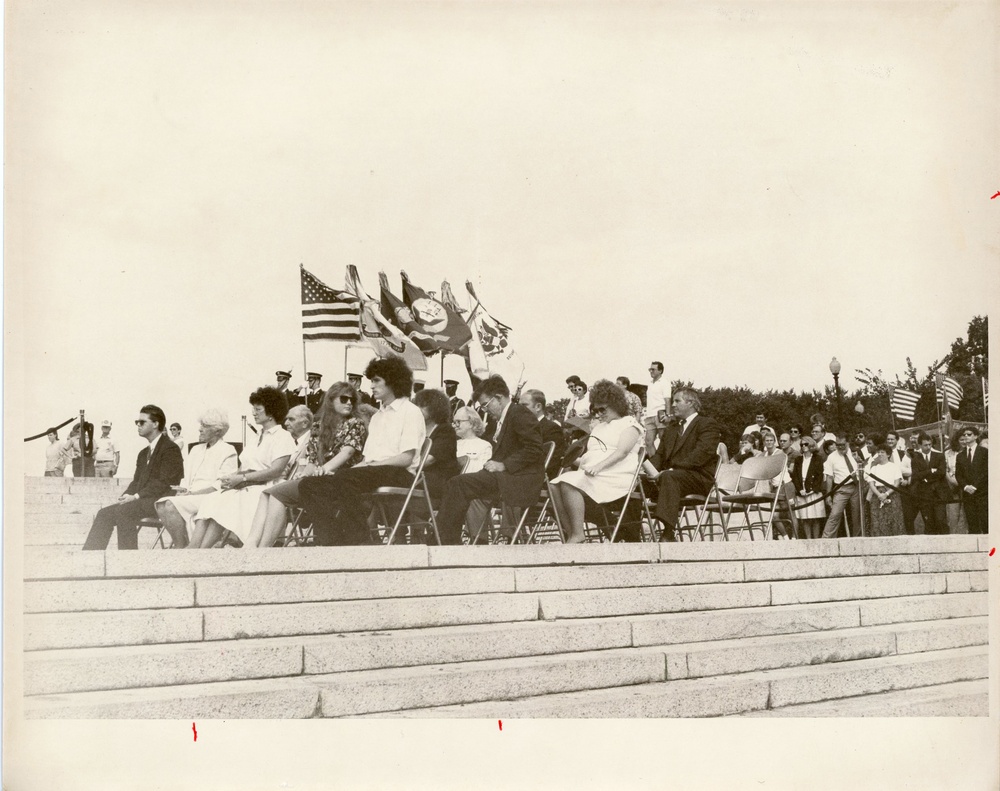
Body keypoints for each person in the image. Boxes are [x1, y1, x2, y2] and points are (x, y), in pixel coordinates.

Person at [298, 357, 426, 546]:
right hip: (372, 472)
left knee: (348, 479)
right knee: (310, 485)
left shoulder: (410, 411)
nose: (371, 386)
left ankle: (360, 539)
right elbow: (366, 459)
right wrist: (337, 472)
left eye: (376, 381)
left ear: (392, 381)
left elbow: (406, 458)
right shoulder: (377, 418)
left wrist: (369, 466)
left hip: (400, 473)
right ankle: (331, 540)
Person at [245, 384, 368, 549]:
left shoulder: (356, 423)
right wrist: (305, 474)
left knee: (277, 494)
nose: (349, 403)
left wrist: (324, 469)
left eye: (352, 400)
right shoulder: (318, 426)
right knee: (267, 494)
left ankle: (263, 549)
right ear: (331, 401)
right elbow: (311, 459)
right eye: (344, 399)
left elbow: (347, 452)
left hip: (342, 478)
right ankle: (251, 545)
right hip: (317, 478)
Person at [434, 375, 545, 545]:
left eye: (486, 405)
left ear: (499, 398)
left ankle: (445, 540)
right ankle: (448, 538)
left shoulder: (519, 413)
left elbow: (534, 448)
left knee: (459, 483)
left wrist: (504, 464)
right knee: (456, 482)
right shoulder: (506, 417)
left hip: (520, 478)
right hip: (507, 476)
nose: (485, 411)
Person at [189, 387, 295, 549]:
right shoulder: (256, 437)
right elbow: (244, 466)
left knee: (225, 503)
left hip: (265, 489)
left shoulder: (283, 436)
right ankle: (194, 548)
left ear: (272, 412)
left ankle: (202, 550)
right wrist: (232, 479)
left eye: (258, 409)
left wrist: (243, 478)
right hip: (246, 485)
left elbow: (276, 470)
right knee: (213, 499)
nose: (253, 412)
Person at [550, 380, 643, 543]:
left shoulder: (630, 424)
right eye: (595, 410)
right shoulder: (599, 427)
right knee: (553, 485)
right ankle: (571, 533)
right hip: (594, 474)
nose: (598, 414)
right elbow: (591, 457)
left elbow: (622, 452)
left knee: (568, 483)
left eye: (602, 409)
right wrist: (571, 459)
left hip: (615, 476)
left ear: (616, 404)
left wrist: (598, 467)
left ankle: (578, 534)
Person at [82, 405, 184, 550]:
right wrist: (126, 496)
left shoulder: (170, 449)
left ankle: (128, 561)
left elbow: (163, 483)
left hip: (161, 501)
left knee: (125, 511)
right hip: (142, 500)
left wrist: (135, 496)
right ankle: (89, 560)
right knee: (104, 513)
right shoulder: (143, 453)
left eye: (142, 422)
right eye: (137, 422)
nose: (138, 425)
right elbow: (137, 481)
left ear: (156, 424)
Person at [645, 387, 721, 542]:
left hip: (698, 478)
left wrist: (672, 469)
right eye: (673, 401)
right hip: (672, 477)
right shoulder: (672, 428)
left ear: (691, 403)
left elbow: (701, 454)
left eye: (677, 401)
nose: (672, 405)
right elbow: (659, 455)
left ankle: (668, 533)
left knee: (669, 476)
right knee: (637, 482)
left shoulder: (707, 424)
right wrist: (649, 471)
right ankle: (626, 530)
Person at [154, 409, 238, 547]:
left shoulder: (228, 450)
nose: (200, 429)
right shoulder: (195, 450)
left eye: (205, 426)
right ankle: (182, 546)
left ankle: (182, 549)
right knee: (161, 504)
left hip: (210, 497)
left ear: (217, 430)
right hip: (190, 496)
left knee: (169, 504)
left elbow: (221, 485)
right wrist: (182, 490)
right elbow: (186, 478)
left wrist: (192, 493)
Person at [412, 388, 461, 503]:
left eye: (423, 406)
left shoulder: (445, 430)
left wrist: (404, 465)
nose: (418, 410)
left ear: (435, 408)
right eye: (417, 406)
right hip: (421, 477)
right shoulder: (417, 430)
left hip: (439, 481)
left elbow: (429, 460)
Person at [518, 388, 567, 478]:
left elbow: (551, 461)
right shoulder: (520, 428)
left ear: (538, 407)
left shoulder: (552, 429)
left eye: (524, 405)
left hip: (535, 478)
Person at [821, 433, 862, 539]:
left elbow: (865, 467)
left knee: (857, 515)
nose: (840, 447)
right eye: (838, 444)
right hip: (841, 488)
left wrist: (860, 461)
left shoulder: (855, 452)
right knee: (835, 514)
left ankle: (857, 539)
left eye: (842, 444)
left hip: (857, 487)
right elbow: (829, 477)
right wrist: (828, 495)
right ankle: (826, 539)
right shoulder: (831, 457)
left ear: (847, 443)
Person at [910, 431, 948, 535]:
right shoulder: (915, 458)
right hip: (924, 495)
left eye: (930, 444)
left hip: (938, 494)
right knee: (929, 523)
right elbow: (916, 475)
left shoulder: (939, 456)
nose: (928, 447)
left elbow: (941, 473)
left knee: (941, 521)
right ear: (920, 445)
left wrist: (926, 478)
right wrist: (930, 471)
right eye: (925, 445)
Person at [790, 436, 826, 539]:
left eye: (806, 444)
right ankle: (808, 539)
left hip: (813, 492)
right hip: (801, 491)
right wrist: (800, 489)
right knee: (805, 518)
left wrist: (812, 490)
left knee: (815, 518)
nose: (803, 446)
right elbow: (795, 476)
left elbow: (819, 476)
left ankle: (816, 539)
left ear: (811, 445)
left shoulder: (817, 459)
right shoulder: (798, 459)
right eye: (802, 444)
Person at [866, 442, 904, 537]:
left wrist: (886, 494)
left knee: (894, 520)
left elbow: (897, 483)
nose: (880, 454)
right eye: (878, 452)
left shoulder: (894, 467)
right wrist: (879, 495)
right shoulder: (874, 468)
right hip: (877, 496)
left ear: (888, 454)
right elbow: (871, 484)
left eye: (882, 452)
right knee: (878, 521)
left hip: (892, 494)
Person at [956, 426, 988, 534]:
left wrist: (975, 486)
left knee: (985, 522)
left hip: (982, 493)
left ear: (975, 436)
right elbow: (958, 475)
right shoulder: (960, 456)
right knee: (972, 524)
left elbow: (986, 472)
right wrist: (965, 487)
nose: (966, 436)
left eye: (969, 434)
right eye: (964, 435)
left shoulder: (984, 452)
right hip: (967, 494)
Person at [453, 406, 493, 473]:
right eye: (454, 422)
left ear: (471, 423)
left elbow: (481, 473)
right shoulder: (452, 444)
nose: (454, 426)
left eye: (458, 422)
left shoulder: (484, 446)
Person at [644, 361, 670, 455]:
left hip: (660, 415)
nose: (651, 371)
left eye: (653, 369)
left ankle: (666, 465)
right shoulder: (650, 383)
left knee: (664, 442)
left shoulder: (665, 382)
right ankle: (655, 465)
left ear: (660, 370)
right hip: (650, 415)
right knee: (648, 442)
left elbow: (667, 400)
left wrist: (668, 415)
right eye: (650, 369)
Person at [944, 429, 966, 532]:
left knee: (966, 515)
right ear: (956, 440)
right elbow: (945, 470)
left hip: (966, 486)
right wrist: (952, 481)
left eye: (966, 439)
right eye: (961, 439)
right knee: (953, 514)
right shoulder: (948, 453)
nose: (964, 441)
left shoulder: (968, 452)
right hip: (952, 486)